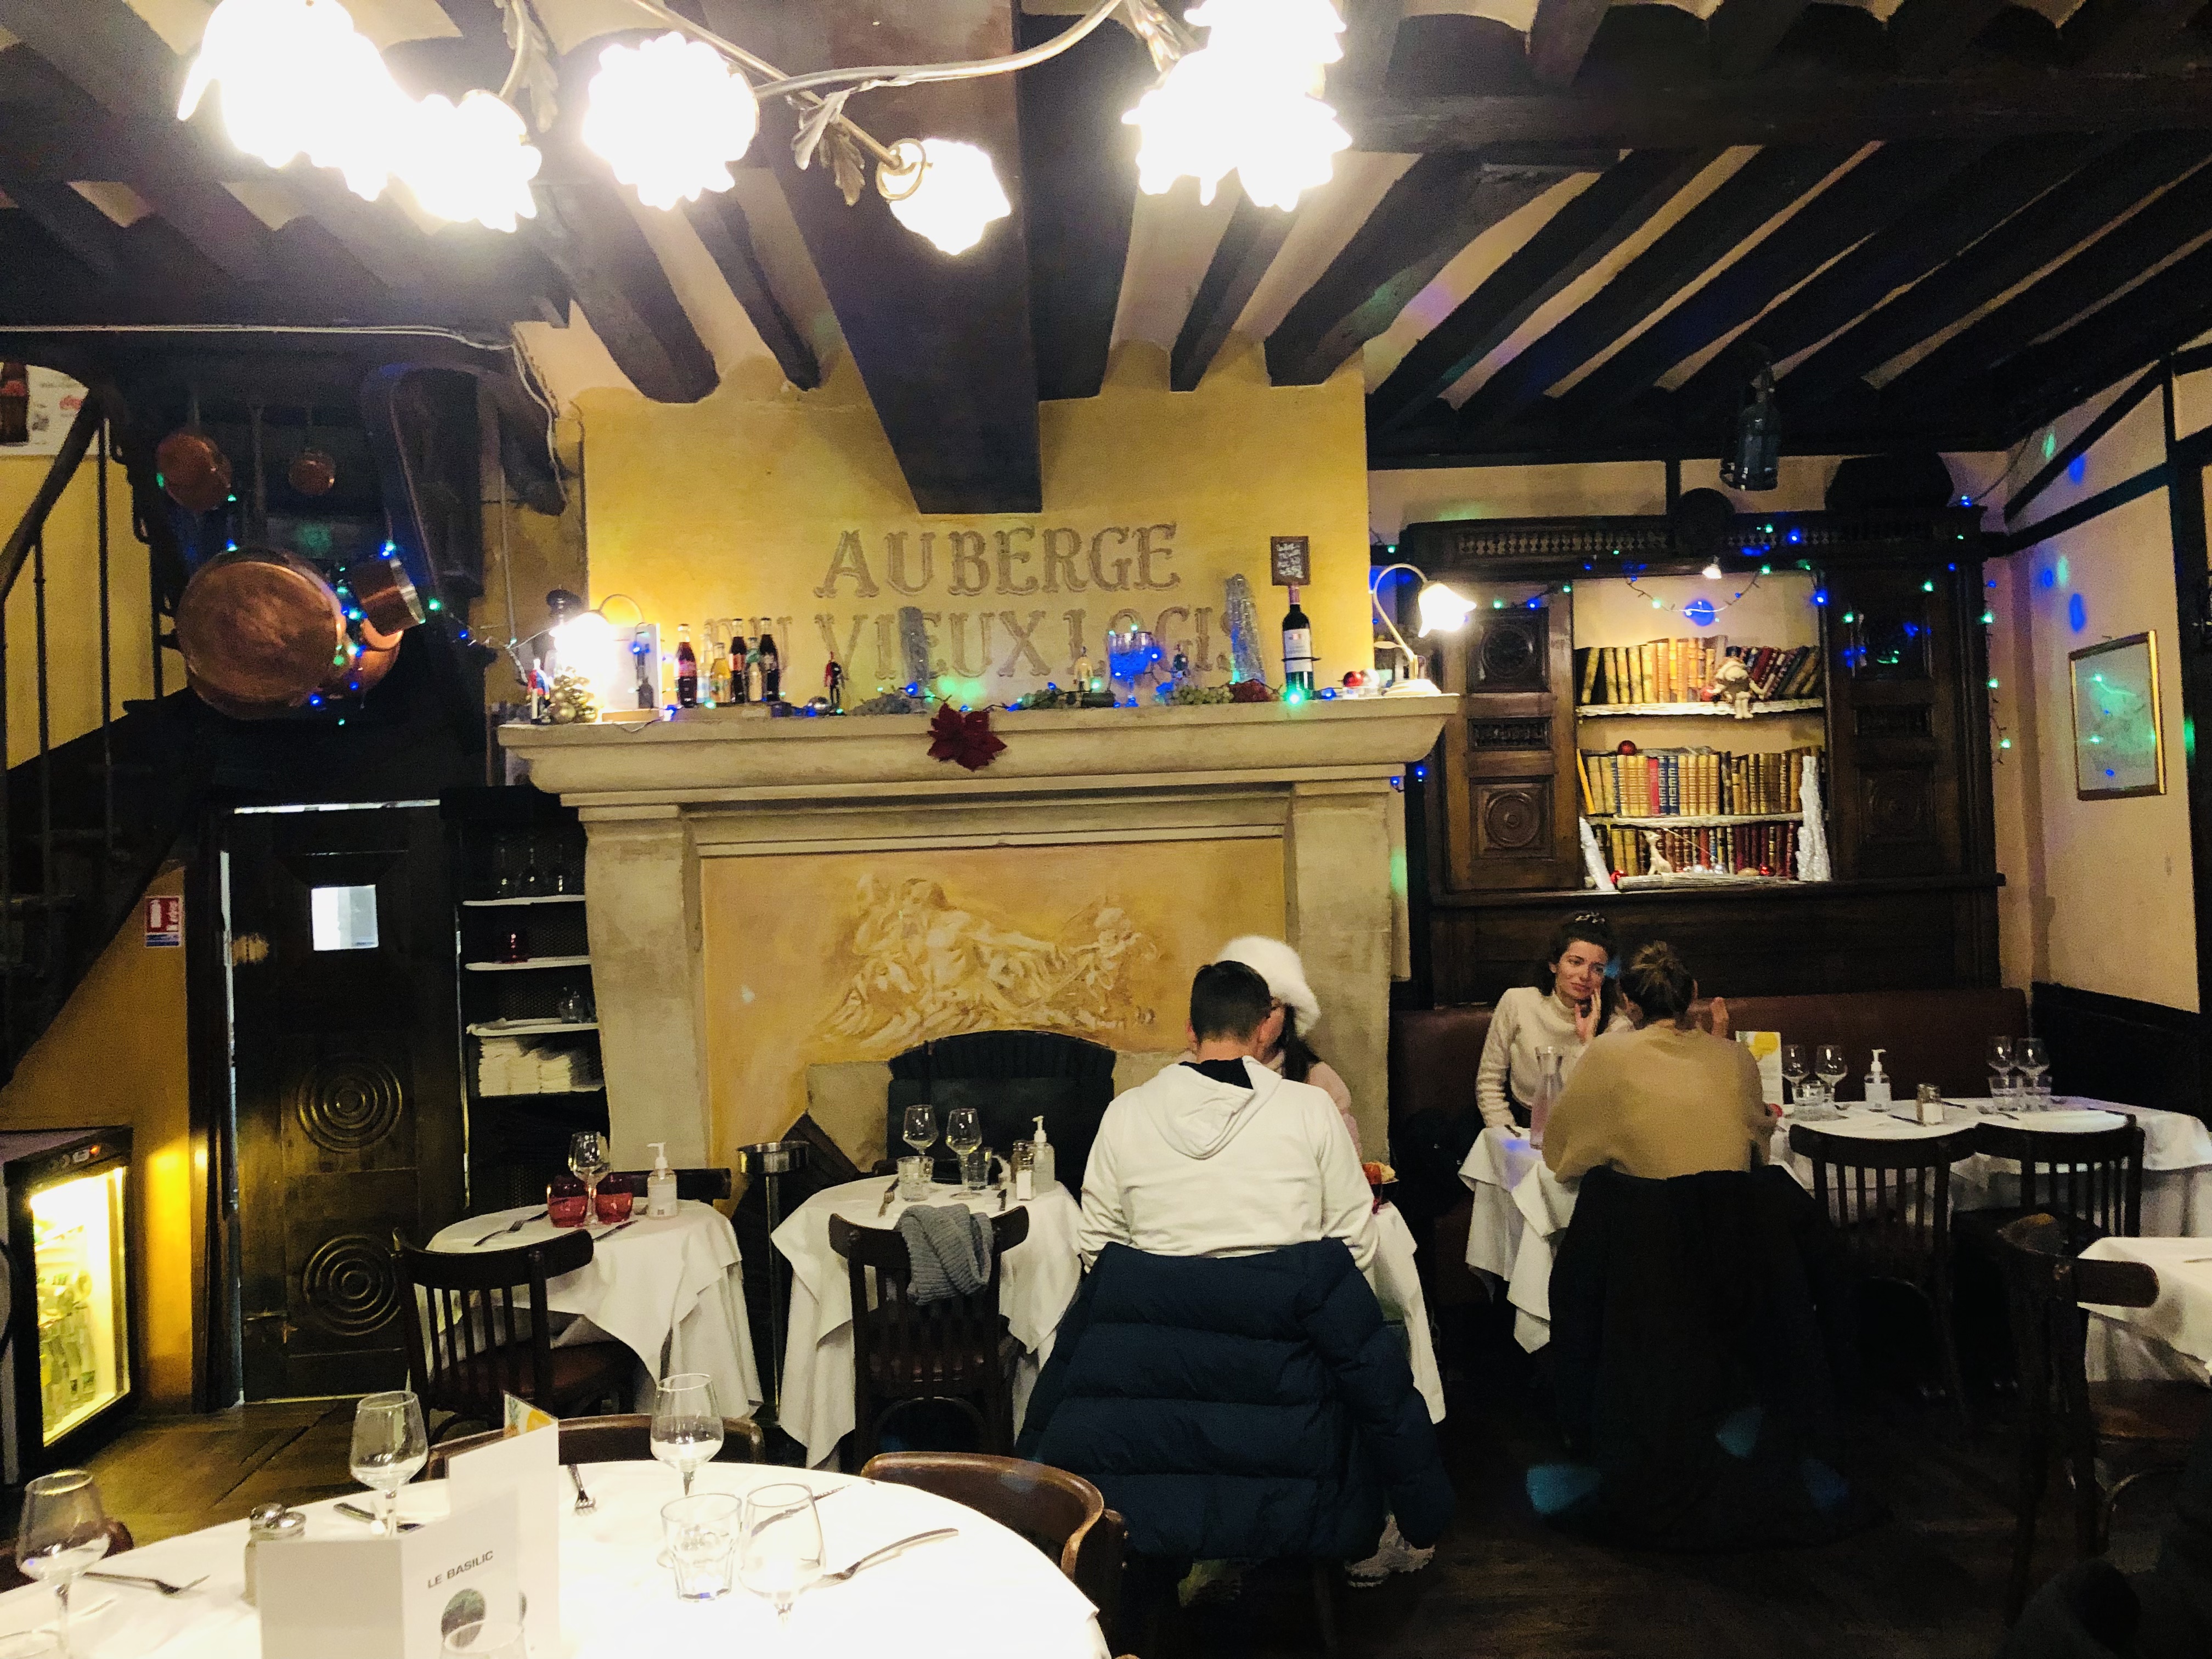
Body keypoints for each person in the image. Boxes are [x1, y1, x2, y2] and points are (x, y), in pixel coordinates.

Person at [1077, 958, 1376, 1274]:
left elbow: (1099, 1244)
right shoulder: (1312, 1107)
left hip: (1159, 1303)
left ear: (1191, 1031)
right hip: (1286, 1303)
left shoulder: (1126, 1112)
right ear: (1263, 1030)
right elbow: (1355, 1239)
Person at [1542, 941, 1773, 1182]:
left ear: (1627, 1001)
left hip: (1641, 1206)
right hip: (1728, 1204)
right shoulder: (1738, 1056)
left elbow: (1559, 1156)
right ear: (1694, 992)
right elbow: (1759, 1154)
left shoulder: (1608, 1052)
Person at [1475, 912, 1634, 1131]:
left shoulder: (1618, 1026)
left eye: (1597, 968)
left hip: (1584, 1131)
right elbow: (1489, 1082)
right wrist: (1509, 1137)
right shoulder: (1518, 1002)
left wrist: (1589, 1042)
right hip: (1520, 1126)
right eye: (1576, 962)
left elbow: (1607, 1101)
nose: (1585, 975)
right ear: (1554, 964)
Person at [1208, 934, 1362, 1156]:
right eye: (1246, 1008)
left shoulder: (1319, 1083)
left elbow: (1346, 1164)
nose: (1257, 1020)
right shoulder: (1190, 1070)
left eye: (1271, 1008)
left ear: (1289, 1012)